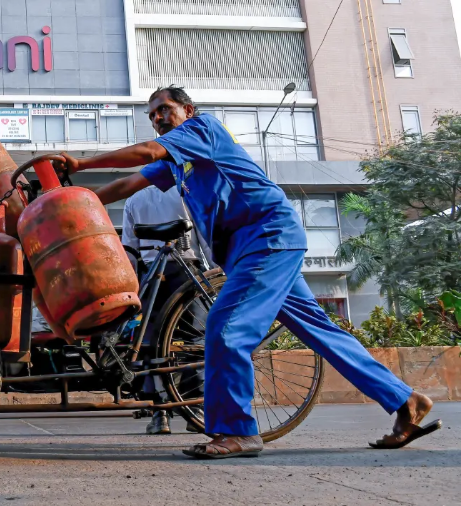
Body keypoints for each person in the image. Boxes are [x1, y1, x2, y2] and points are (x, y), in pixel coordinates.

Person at [56, 85, 441, 459]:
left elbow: (147, 151)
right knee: (321, 332)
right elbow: (129, 182)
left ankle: (238, 431)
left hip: (266, 237)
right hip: (251, 249)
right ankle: (406, 401)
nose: (157, 118)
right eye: (152, 114)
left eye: (164, 109)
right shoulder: (178, 161)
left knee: (226, 328)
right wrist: (64, 198)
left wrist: (83, 162)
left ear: (187, 110)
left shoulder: (203, 129)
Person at [123, 173, 209, 435]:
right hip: (186, 270)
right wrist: (217, 273)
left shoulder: (134, 200)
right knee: (195, 342)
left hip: (151, 274)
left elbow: (129, 249)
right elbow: (204, 240)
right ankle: (196, 410)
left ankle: (160, 413)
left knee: (152, 344)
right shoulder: (186, 193)